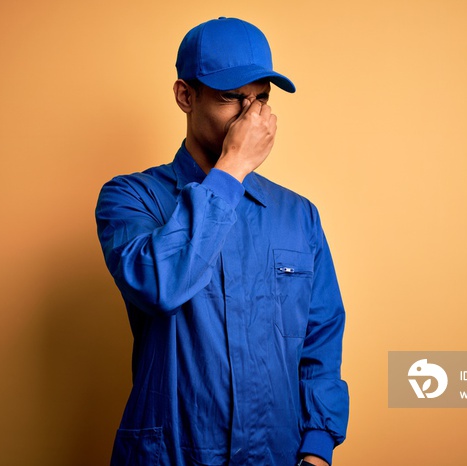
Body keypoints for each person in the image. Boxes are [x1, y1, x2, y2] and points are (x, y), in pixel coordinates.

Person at [96, 17, 349, 466]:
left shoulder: (298, 216)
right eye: (231, 98)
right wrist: (231, 168)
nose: (250, 117)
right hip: (171, 453)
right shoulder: (130, 198)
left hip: (275, 455)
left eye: (261, 100)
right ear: (185, 96)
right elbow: (160, 286)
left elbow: (320, 342)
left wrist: (317, 451)